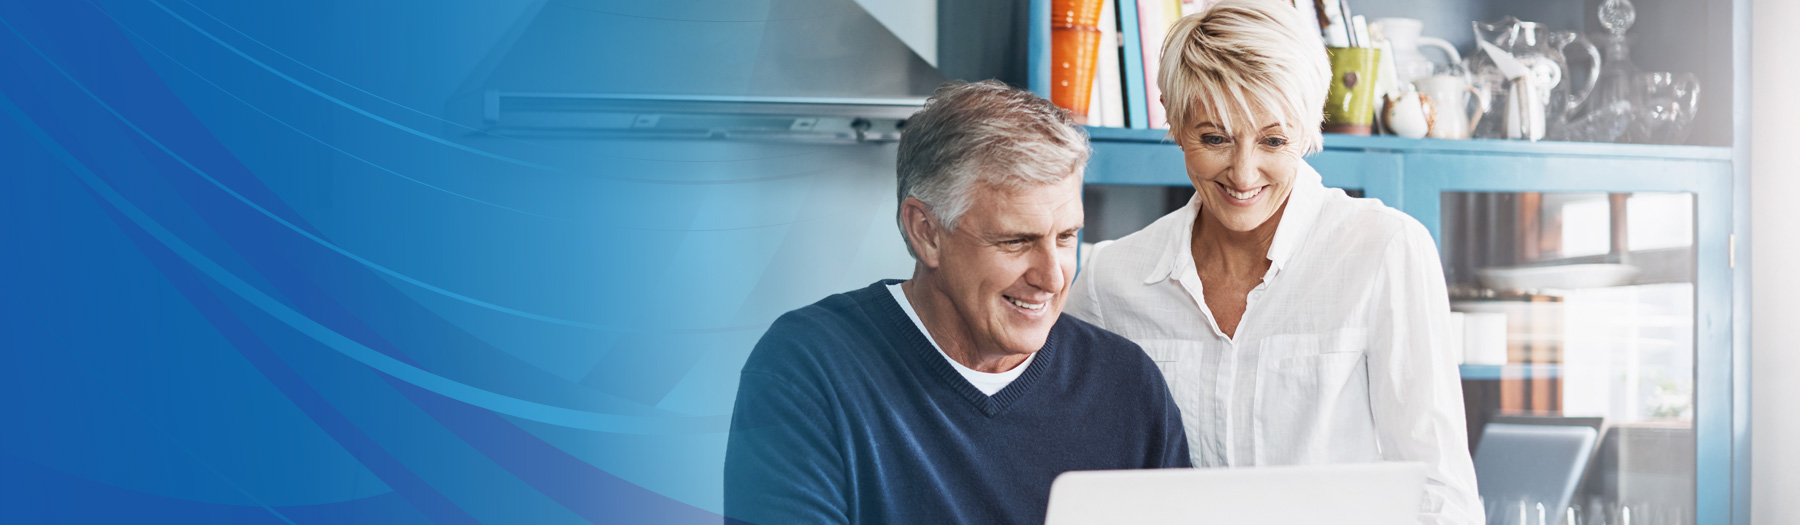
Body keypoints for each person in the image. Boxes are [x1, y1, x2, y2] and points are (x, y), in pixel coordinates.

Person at [1063, 1, 1481, 524]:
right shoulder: (1109, 280)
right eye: (1213, 138)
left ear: (1309, 128)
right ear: (1172, 116)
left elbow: (1441, 493)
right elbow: (1071, 463)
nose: (1243, 173)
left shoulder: (1384, 250)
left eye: (1273, 140)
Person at [724, 80, 1191, 525]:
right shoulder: (807, 370)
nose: (1051, 276)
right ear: (925, 232)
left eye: (1066, 236)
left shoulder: (1126, 384)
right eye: (1015, 241)